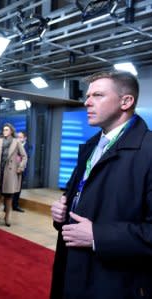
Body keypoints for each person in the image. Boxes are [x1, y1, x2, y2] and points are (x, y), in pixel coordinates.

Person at [50, 71, 152, 299]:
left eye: (97, 95)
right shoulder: (91, 145)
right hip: (73, 272)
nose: (87, 102)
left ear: (126, 101)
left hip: (115, 283)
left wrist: (98, 235)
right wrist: (63, 214)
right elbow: (80, 196)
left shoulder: (148, 151)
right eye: (87, 96)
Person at [0, 124, 27, 226]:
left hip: (10, 172)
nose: (4, 131)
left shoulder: (16, 142)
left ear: (11, 131)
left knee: (8, 196)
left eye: (6, 129)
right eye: (3, 130)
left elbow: (24, 156)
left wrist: (20, 167)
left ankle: (7, 217)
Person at [12, 131, 28, 212]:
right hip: (12, 170)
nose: (19, 139)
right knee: (11, 188)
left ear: (25, 138)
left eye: (21, 137)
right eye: (17, 137)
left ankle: (15, 205)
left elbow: (27, 158)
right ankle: (7, 205)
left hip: (21, 171)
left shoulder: (28, 147)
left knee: (18, 189)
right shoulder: (14, 145)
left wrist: (20, 167)